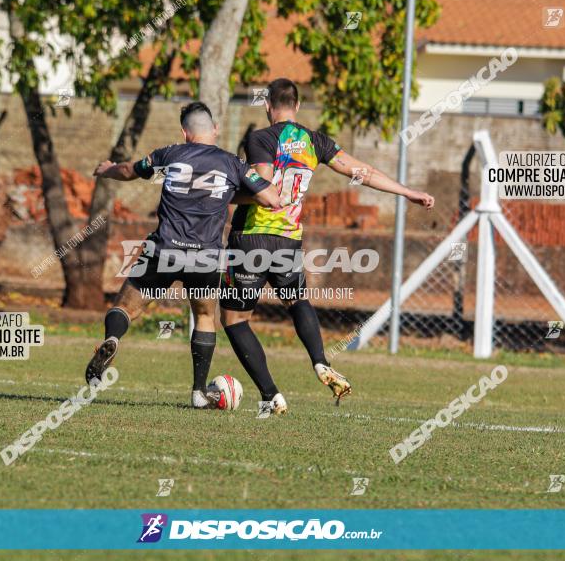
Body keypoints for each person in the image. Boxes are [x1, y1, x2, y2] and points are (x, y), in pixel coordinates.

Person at [220, 78, 435, 416]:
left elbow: (263, 186)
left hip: (252, 237)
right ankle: (320, 361)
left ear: (267, 106)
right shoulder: (313, 140)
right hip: (288, 240)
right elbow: (362, 171)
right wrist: (407, 192)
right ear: (298, 107)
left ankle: (271, 394)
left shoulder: (260, 138)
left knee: (234, 320)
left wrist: (224, 195)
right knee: (296, 300)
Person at [85, 101, 281, 409]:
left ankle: (113, 339)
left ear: (185, 133)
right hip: (205, 256)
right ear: (215, 129)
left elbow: (129, 170)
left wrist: (109, 170)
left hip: (164, 248)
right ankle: (198, 392)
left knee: (125, 307)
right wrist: (232, 191)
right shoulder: (233, 164)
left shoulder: (169, 154)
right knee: (204, 316)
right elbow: (271, 198)